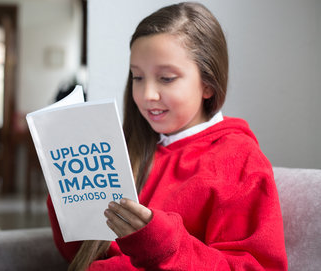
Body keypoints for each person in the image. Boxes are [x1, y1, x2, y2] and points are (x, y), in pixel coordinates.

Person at [47, 2, 288, 270]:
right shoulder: (128, 149)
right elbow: (83, 255)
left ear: (207, 84)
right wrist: (66, 197)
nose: (147, 94)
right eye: (137, 77)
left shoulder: (239, 160)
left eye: (167, 78)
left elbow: (254, 266)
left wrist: (160, 243)